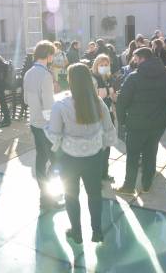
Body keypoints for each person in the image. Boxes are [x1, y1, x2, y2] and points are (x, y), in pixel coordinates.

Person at [45, 63, 117, 244]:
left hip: (69, 158)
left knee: (71, 196)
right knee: (94, 194)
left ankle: (76, 232)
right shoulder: (99, 102)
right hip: (93, 157)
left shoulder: (60, 105)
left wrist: (47, 128)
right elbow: (109, 130)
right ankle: (97, 231)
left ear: (70, 81)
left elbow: (54, 135)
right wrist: (103, 146)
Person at [116, 47, 166, 195]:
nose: (134, 61)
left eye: (135, 58)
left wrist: (121, 121)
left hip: (136, 124)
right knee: (151, 152)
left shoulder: (134, 77)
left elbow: (122, 101)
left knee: (133, 156)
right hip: (157, 123)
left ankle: (129, 186)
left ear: (141, 58)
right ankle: (147, 184)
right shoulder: (165, 74)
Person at [24, 40, 63, 209]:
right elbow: (48, 105)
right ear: (48, 55)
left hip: (34, 121)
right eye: (52, 55)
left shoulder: (29, 73)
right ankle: (47, 195)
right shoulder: (45, 75)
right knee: (56, 159)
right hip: (45, 124)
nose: (53, 57)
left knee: (41, 158)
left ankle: (45, 193)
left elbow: (26, 99)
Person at [91, 54, 117, 182]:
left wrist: (113, 94)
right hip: (98, 115)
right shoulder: (93, 78)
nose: (104, 67)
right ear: (96, 65)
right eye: (101, 65)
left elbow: (113, 97)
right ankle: (96, 175)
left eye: (106, 65)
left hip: (109, 114)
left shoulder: (109, 78)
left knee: (107, 145)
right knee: (98, 147)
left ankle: (104, 174)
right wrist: (109, 91)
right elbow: (95, 96)